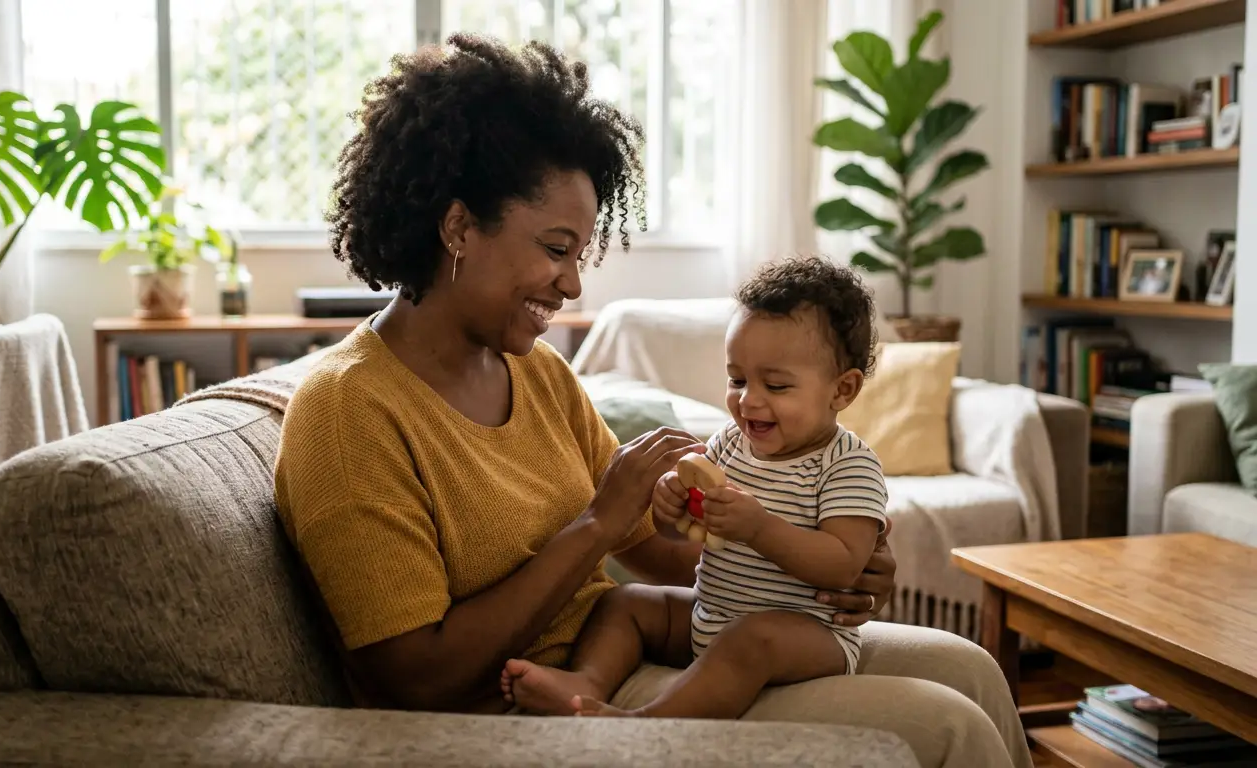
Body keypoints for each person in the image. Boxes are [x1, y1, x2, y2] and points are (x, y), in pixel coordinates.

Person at [273, 32, 1032, 768]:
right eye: (557, 248)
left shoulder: (536, 373)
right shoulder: (348, 412)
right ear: (458, 226)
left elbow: (667, 550)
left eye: (579, 254)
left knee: (970, 669)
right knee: (948, 728)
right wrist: (595, 524)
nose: (574, 285)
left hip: (631, 659)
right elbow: (415, 681)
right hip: (529, 711)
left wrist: (830, 558)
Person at [500, 256, 888, 719]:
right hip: (710, 616)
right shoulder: (729, 442)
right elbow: (681, 535)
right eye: (737, 379)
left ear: (842, 391)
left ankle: (648, 724)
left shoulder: (848, 465)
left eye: (777, 385)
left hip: (804, 636)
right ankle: (586, 684)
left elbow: (844, 566)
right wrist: (670, 507)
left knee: (751, 640)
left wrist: (759, 528)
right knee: (628, 602)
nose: (749, 400)